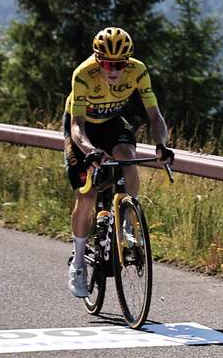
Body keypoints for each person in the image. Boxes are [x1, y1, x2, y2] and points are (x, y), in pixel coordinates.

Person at [63, 26, 175, 297]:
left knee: (128, 156)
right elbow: (77, 126)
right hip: (83, 129)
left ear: (128, 61)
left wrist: (162, 145)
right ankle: (78, 262)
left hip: (112, 123)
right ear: (97, 60)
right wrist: (90, 150)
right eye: (107, 63)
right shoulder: (83, 74)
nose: (114, 70)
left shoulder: (138, 70)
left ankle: (127, 218)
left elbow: (155, 115)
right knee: (87, 195)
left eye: (120, 64)